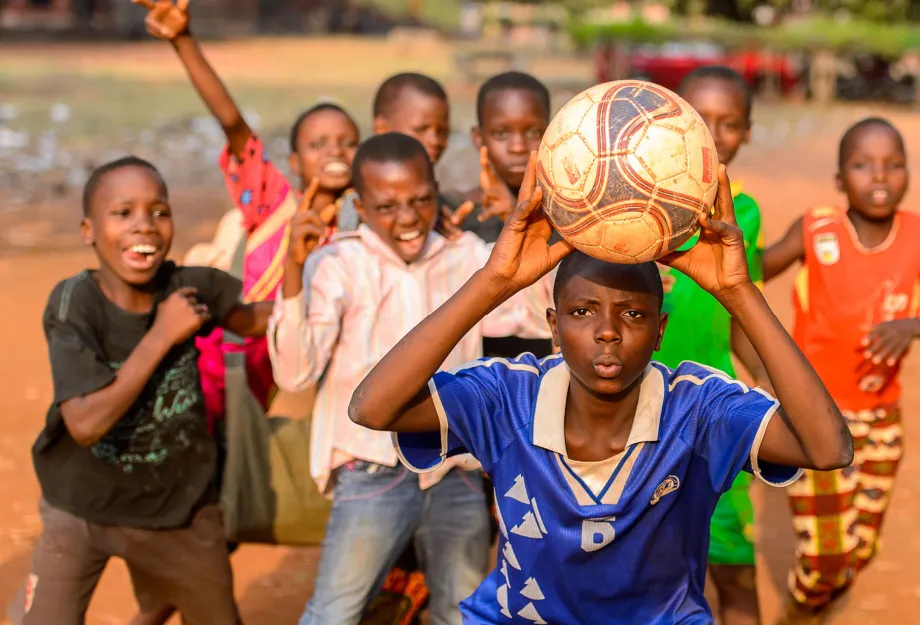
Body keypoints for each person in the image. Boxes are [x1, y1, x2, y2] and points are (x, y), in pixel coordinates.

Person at [347, 156, 855, 624]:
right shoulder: (508, 397)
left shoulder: (696, 407)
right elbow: (372, 407)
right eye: (582, 312)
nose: (607, 331)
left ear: (659, 332)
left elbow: (828, 448)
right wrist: (494, 280)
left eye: (632, 314)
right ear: (553, 325)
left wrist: (738, 293)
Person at [270, 133, 546, 625]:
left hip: (455, 470)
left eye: (420, 200)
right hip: (370, 470)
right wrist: (293, 269)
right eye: (387, 205)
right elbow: (294, 374)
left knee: (460, 612)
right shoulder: (335, 264)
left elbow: (538, 320)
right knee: (335, 612)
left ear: (436, 189)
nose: (408, 218)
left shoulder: (467, 258)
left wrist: (515, 228)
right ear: (360, 205)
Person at [8, 157, 272, 625]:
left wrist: (298, 267)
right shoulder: (75, 304)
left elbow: (259, 320)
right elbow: (85, 423)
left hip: (178, 509)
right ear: (89, 230)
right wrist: (162, 336)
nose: (144, 226)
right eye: (123, 212)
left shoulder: (193, 288)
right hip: (80, 505)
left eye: (158, 211)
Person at [761, 117, 920, 623]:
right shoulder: (816, 228)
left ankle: (821, 601)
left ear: (908, 173)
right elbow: (754, 271)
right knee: (827, 556)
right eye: (862, 165)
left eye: (893, 165)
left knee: (861, 550)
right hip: (813, 420)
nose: (879, 177)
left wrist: (914, 326)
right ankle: (798, 614)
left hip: (881, 420)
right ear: (838, 179)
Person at [136, 0, 361, 436]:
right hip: (211, 355)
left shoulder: (359, 233)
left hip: (263, 381)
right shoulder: (275, 202)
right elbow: (233, 125)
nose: (335, 151)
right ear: (294, 161)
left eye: (348, 143)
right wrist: (182, 40)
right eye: (319, 144)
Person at [649, 65, 770, 625]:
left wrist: (766, 382)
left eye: (730, 122)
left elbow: (741, 311)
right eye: (702, 119)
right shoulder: (635, 203)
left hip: (711, 405)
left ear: (747, 132)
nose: (715, 133)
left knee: (729, 557)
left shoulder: (744, 213)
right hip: (636, 405)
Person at [458, 71, 555, 359]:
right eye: (501, 133)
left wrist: (516, 214)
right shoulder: (458, 215)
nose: (517, 146)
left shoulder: (567, 214)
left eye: (533, 133)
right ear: (478, 137)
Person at [338, 72, 475, 233]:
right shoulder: (350, 199)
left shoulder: (445, 207)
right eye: (420, 129)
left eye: (443, 131)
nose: (435, 140)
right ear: (382, 128)